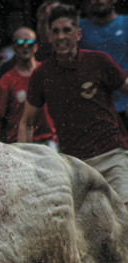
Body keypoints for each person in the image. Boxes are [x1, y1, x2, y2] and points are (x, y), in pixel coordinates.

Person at [19, 4, 128, 208]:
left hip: (112, 155)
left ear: (78, 34)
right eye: (56, 31)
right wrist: (25, 164)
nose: (61, 37)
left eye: (67, 30)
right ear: (49, 36)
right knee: (89, 232)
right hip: (75, 164)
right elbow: (26, 123)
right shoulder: (42, 75)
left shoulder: (98, 61)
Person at [0, 27, 55, 145]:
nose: (25, 46)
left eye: (29, 42)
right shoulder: (7, 79)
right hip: (19, 143)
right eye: (20, 42)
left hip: (48, 140)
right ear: (13, 48)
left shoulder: (48, 73)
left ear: (36, 47)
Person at [80, 0, 128, 129]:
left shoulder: (125, 23)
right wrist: (45, 21)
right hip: (96, 108)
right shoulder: (81, 28)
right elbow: (53, 45)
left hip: (125, 103)